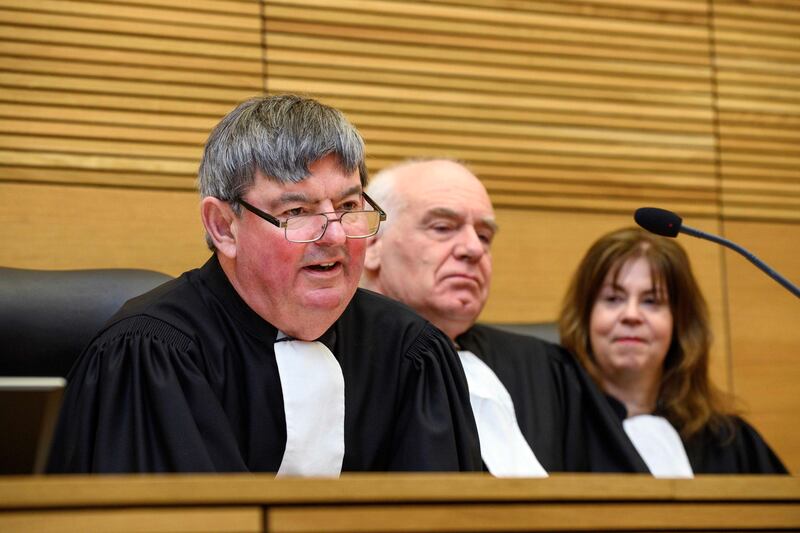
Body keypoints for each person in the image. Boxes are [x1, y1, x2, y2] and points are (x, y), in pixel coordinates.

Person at [47, 95, 482, 474]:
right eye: (297, 212)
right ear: (223, 227)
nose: (334, 235)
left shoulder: (412, 352)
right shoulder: (152, 355)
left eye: (349, 205)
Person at [360, 158, 648, 475]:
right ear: (373, 243)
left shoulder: (544, 368)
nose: (473, 248)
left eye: (484, 236)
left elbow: (629, 504)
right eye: (442, 228)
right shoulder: (342, 363)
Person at [559, 226, 787, 475]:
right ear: (585, 318)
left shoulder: (729, 442)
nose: (631, 315)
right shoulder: (556, 434)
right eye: (613, 299)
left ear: (680, 323)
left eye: (652, 301)